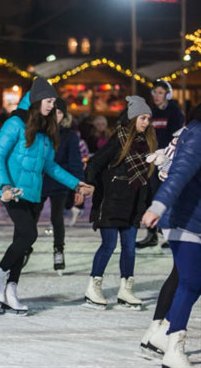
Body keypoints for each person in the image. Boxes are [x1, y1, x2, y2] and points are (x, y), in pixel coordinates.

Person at [0, 78, 94, 315]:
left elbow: (50, 166)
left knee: (23, 242)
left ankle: (11, 289)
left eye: (54, 102)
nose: (52, 106)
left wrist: (76, 184)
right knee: (28, 234)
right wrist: (4, 185)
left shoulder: (44, 130)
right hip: (13, 191)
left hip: (33, 193)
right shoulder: (15, 123)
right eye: (48, 101)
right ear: (36, 100)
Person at [138, 105, 200, 366]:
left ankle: (163, 334)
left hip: (194, 218)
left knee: (190, 280)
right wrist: (157, 206)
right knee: (190, 281)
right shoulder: (197, 135)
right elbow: (179, 173)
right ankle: (174, 346)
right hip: (182, 218)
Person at [83, 96, 156, 310]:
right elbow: (95, 163)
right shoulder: (119, 139)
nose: (146, 122)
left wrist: (149, 203)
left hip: (133, 203)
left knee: (130, 248)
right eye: (143, 118)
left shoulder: (148, 143)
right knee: (108, 245)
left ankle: (125, 290)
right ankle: (93, 288)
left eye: (148, 118)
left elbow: (146, 179)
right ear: (133, 118)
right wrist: (88, 184)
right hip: (112, 201)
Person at [137, 80, 185, 249]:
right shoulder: (151, 113)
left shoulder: (174, 112)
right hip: (151, 159)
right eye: (154, 92)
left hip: (167, 160)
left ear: (167, 94)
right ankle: (151, 235)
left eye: (160, 92)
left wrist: (166, 155)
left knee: (166, 196)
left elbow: (176, 137)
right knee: (149, 195)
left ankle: (170, 235)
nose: (156, 96)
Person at [40, 98, 84, 275]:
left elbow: (75, 162)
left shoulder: (69, 136)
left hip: (60, 182)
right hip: (39, 182)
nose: (55, 116)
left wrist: (79, 185)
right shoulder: (38, 133)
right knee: (31, 217)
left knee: (57, 217)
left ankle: (59, 251)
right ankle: (25, 249)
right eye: (53, 112)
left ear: (64, 115)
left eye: (59, 112)